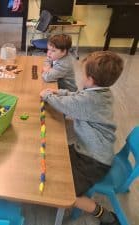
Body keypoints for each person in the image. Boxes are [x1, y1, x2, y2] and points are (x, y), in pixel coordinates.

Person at [40, 51, 123, 225]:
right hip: (88, 150)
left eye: (83, 74)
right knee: (52, 158)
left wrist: (48, 96)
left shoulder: (90, 99)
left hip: (93, 160)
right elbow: (77, 96)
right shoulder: (100, 91)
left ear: (90, 79)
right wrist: (58, 92)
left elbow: (67, 106)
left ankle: (103, 214)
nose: (81, 77)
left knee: (67, 192)